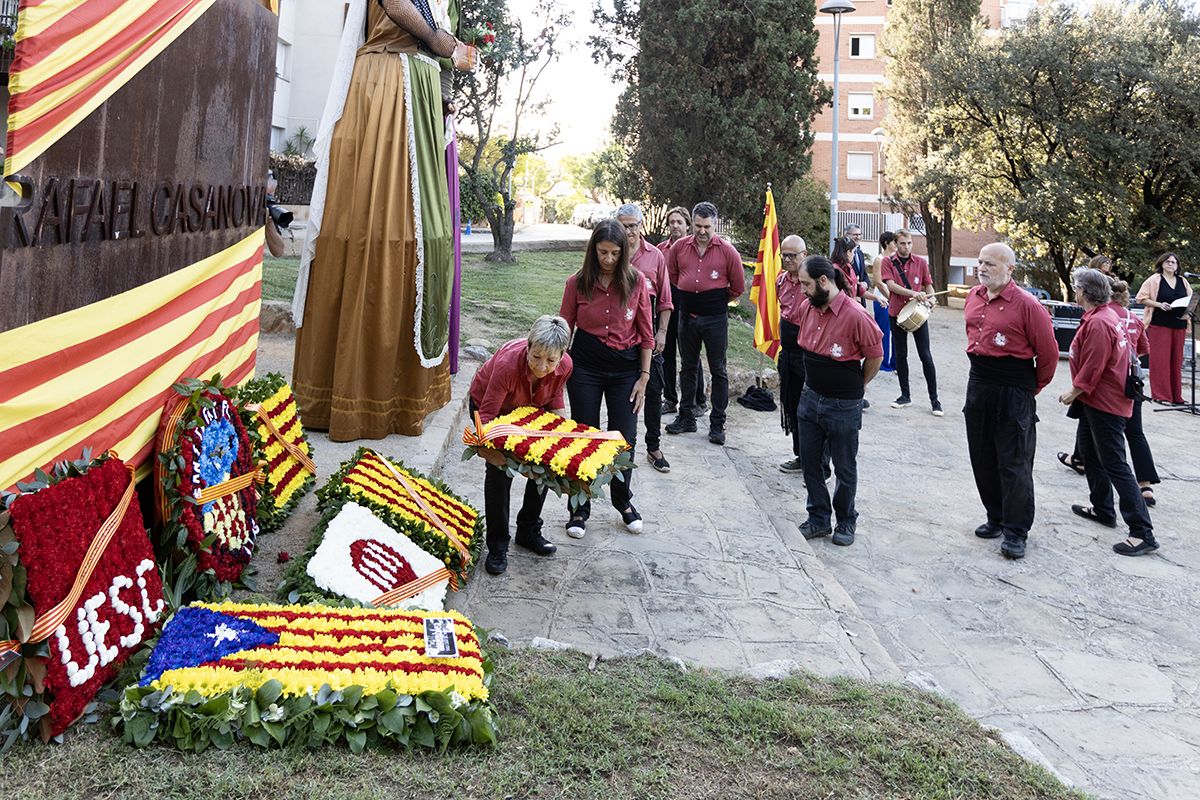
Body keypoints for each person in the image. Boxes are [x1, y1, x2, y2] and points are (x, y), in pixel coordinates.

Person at [292, 0, 474, 440]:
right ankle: (352, 397)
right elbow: (396, 6)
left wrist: (444, 85)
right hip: (387, 86)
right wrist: (444, 43)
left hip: (419, 95)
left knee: (422, 237)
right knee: (370, 229)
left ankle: (401, 396)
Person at [559, 219, 654, 539]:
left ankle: (622, 500)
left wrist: (644, 377)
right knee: (584, 436)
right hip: (585, 367)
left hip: (626, 369)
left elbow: (646, 334)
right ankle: (579, 507)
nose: (609, 259)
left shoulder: (637, 281)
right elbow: (565, 329)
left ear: (624, 252)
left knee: (624, 438)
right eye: (603, 252)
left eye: (615, 253)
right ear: (593, 250)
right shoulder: (576, 282)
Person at [962, 243, 1058, 560]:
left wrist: (1029, 389)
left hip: (1014, 387)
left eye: (990, 263)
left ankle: (1016, 530)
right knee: (982, 457)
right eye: (980, 262)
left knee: (1014, 463)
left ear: (1010, 269)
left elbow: (1048, 355)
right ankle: (996, 517)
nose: (982, 268)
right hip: (979, 383)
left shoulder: (1028, 305)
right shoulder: (973, 297)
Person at [1059, 268, 1159, 557]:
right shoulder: (1103, 316)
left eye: (1076, 288)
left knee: (1115, 463)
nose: (1074, 292)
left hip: (1105, 402)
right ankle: (1102, 508)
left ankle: (1142, 532)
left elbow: (1095, 364)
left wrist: (1074, 391)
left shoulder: (1101, 322)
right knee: (1091, 455)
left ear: (1083, 291)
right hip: (1096, 400)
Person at [468, 316, 573, 575]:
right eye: (536, 357)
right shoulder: (507, 365)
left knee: (546, 462)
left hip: (529, 409)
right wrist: (490, 450)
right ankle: (497, 544)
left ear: (562, 355)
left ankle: (528, 530)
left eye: (551, 360)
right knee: (499, 471)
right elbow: (488, 417)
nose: (542, 367)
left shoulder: (565, 366)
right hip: (492, 409)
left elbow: (554, 395)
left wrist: (564, 438)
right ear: (528, 346)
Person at [794, 256, 884, 547]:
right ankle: (818, 518)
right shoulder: (807, 307)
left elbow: (875, 356)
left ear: (824, 281)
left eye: (806, 284)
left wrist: (859, 386)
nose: (803, 290)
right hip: (810, 398)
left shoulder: (856, 314)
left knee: (845, 466)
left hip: (843, 404)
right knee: (810, 463)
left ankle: (846, 520)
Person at [665, 202, 745, 446]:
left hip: (715, 319)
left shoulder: (728, 252)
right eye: (698, 226)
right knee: (688, 367)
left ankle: (717, 423)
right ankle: (686, 416)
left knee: (718, 369)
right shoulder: (679, 248)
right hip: (686, 316)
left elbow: (737, 287)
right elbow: (673, 276)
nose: (702, 231)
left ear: (715, 225)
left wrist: (713, 302)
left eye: (707, 227)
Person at [617, 203, 673, 473]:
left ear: (641, 226)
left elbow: (665, 300)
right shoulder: (611, 253)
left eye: (633, 226)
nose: (629, 231)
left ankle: (653, 446)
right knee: (622, 392)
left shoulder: (655, 256)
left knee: (653, 389)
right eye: (623, 226)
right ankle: (619, 449)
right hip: (619, 335)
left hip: (648, 332)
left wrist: (662, 331)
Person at [881, 229, 943, 416]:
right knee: (901, 355)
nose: (906, 247)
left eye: (909, 243)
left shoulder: (921, 262)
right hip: (896, 313)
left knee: (926, 355)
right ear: (895, 244)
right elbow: (891, 286)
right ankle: (905, 395)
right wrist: (914, 293)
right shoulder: (887, 262)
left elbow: (928, 285)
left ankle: (935, 400)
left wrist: (931, 298)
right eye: (902, 243)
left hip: (917, 313)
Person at [1110, 279, 1160, 507]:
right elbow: (1143, 349)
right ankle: (1145, 485)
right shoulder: (1134, 318)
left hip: (1108, 382)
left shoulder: (1101, 316)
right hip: (1132, 381)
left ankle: (1104, 495)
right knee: (1135, 432)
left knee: (1098, 432)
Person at [658, 206, 706, 415]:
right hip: (665, 303)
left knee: (690, 355)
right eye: (672, 222)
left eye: (679, 222)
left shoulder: (695, 249)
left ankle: (699, 401)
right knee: (665, 353)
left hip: (687, 304)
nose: (675, 226)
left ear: (688, 225)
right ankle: (670, 399)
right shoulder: (660, 249)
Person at [1136, 252, 1193, 405]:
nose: (1170, 264)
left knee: (1176, 361)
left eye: (1173, 262)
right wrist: (1159, 304)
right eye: (1167, 262)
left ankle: (1176, 396)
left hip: (1179, 324)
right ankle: (1161, 395)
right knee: (1160, 360)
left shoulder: (1183, 281)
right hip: (1160, 324)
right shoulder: (1154, 280)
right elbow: (1141, 298)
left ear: (1177, 266)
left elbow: (1191, 300)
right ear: (1161, 263)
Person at [776, 234, 809, 473]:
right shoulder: (781, 280)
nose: (787, 259)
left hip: (808, 354)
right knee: (793, 405)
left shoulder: (815, 281)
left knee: (811, 410)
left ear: (804, 255)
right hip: (787, 353)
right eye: (784, 255)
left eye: (792, 255)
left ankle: (818, 464)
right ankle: (800, 455)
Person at [871, 232, 896, 372]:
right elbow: (878, 282)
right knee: (884, 330)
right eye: (894, 242)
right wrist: (890, 298)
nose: (896, 244)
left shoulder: (895, 259)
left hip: (894, 299)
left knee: (896, 331)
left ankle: (895, 362)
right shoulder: (879, 260)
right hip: (882, 299)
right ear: (886, 243)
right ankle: (883, 362)